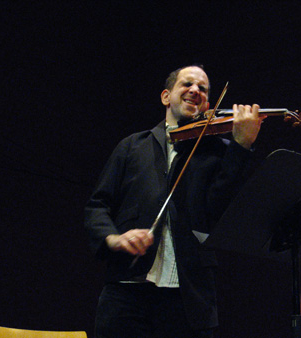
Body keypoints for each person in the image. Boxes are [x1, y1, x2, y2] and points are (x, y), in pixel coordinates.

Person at [84, 65, 262, 338]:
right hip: (127, 291)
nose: (195, 90)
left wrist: (241, 146)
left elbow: (219, 212)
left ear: (208, 104)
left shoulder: (218, 153)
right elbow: (98, 205)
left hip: (188, 295)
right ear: (166, 96)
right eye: (187, 84)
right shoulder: (132, 146)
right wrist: (113, 239)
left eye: (202, 89)